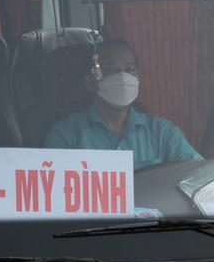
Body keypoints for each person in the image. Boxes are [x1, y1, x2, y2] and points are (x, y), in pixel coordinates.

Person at [44, 39, 202, 169]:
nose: (123, 77)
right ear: (90, 83)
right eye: (112, 71)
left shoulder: (163, 133)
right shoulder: (65, 137)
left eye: (129, 69)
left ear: (138, 78)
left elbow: (200, 175)